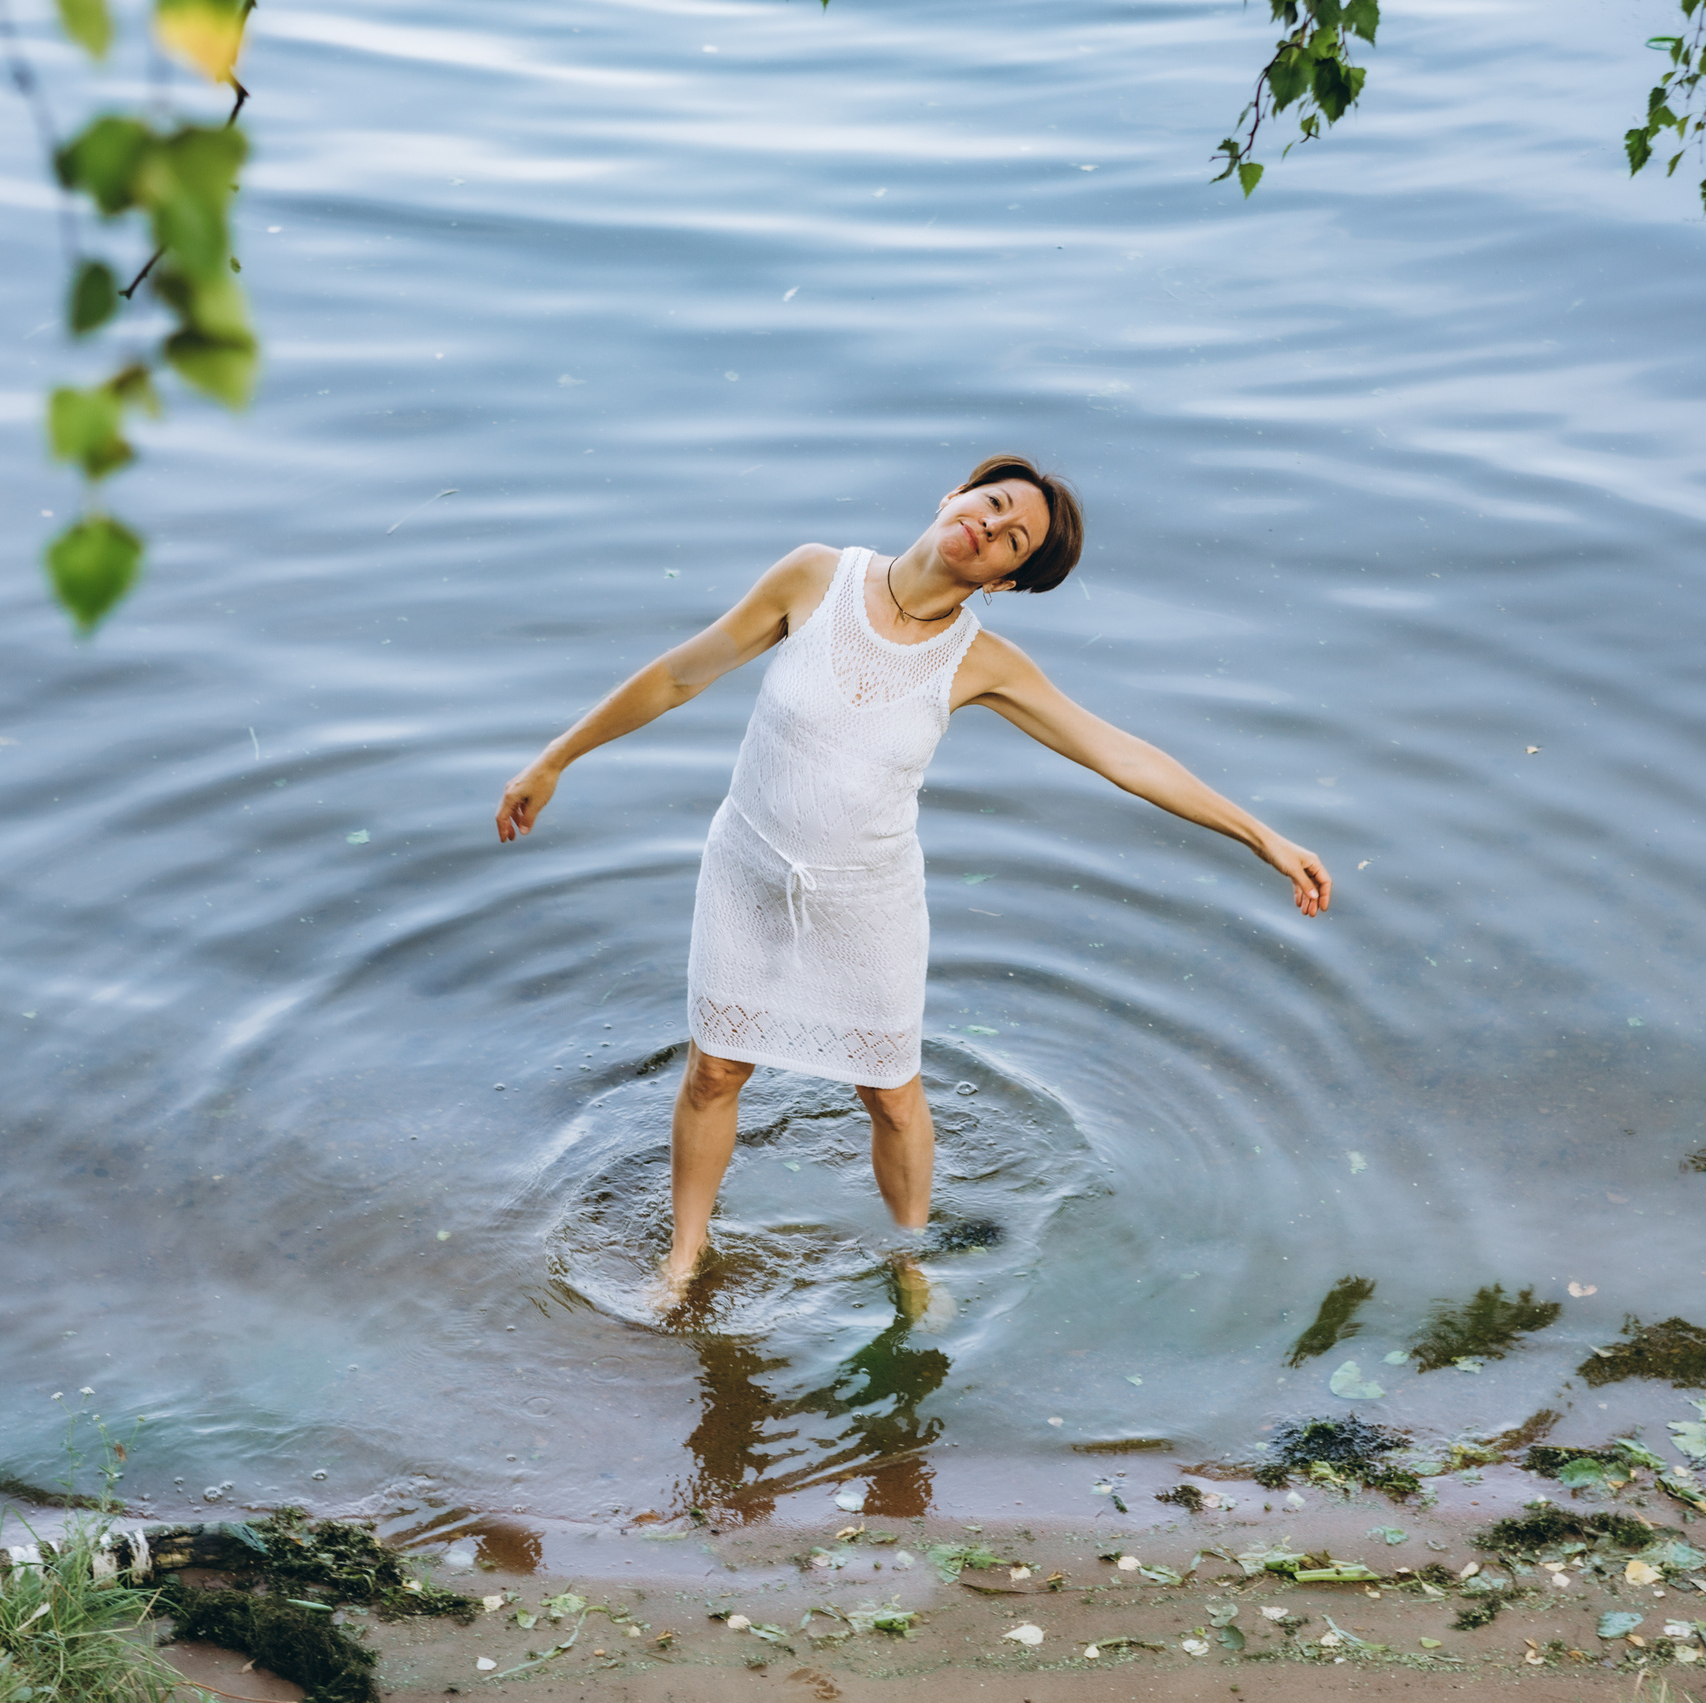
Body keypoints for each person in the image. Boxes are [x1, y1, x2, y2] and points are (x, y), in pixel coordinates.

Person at [495, 455, 1330, 1304]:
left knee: (891, 1094)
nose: (990, 527)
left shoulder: (982, 662)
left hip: (870, 897)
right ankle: (684, 1258)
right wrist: (556, 757)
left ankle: (910, 1261)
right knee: (716, 1070)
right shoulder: (814, 576)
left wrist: (1261, 836)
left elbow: (1120, 753)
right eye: (992, 504)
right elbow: (681, 673)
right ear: (952, 496)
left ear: (1005, 581)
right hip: (749, 869)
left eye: (1013, 540)